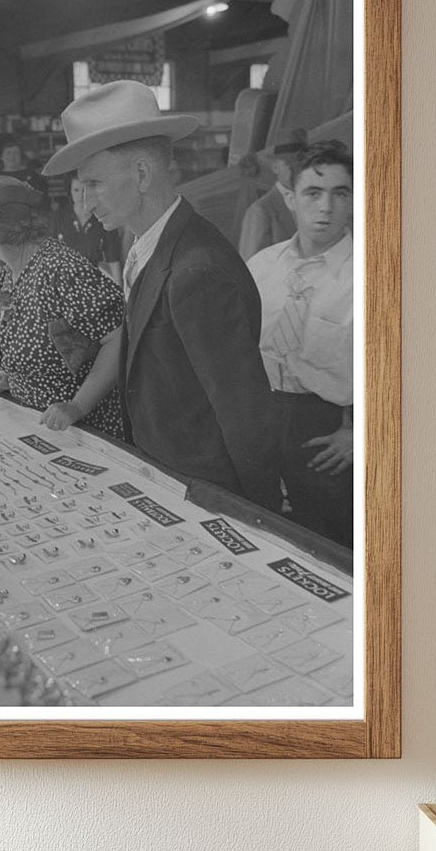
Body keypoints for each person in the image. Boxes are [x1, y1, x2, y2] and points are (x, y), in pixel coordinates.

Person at [42, 80, 277, 508]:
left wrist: (260, 516)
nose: (88, 201)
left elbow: (243, 411)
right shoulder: (151, 244)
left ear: (143, 174)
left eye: (94, 183)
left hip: (206, 486)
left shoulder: (195, 270)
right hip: (169, 471)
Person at [247, 140, 354, 547]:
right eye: (313, 193)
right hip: (263, 413)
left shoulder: (372, 273)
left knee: (328, 538)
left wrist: (360, 434)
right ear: (290, 198)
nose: (326, 207)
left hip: (328, 426)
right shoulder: (262, 266)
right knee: (268, 531)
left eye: (339, 194)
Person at [0, 177, 125, 439]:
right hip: (34, 423)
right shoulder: (8, 272)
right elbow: (50, 346)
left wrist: (77, 406)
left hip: (82, 432)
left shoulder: (62, 269)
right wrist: (14, 375)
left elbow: (118, 337)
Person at [237, 128, 306, 262]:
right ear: (275, 167)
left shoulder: (316, 203)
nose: (297, 170)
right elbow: (250, 266)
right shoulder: (260, 211)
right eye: (289, 164)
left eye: (302, 164)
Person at [52, 173, 123, 282]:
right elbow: (48, 256)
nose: (81, 196)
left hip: (92, 283)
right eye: (76, 190)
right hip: (62, 283)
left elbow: (113, 258)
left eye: (85, 190)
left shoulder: (103, 219)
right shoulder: (58, 219)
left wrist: (120, 292)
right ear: (69, 192)